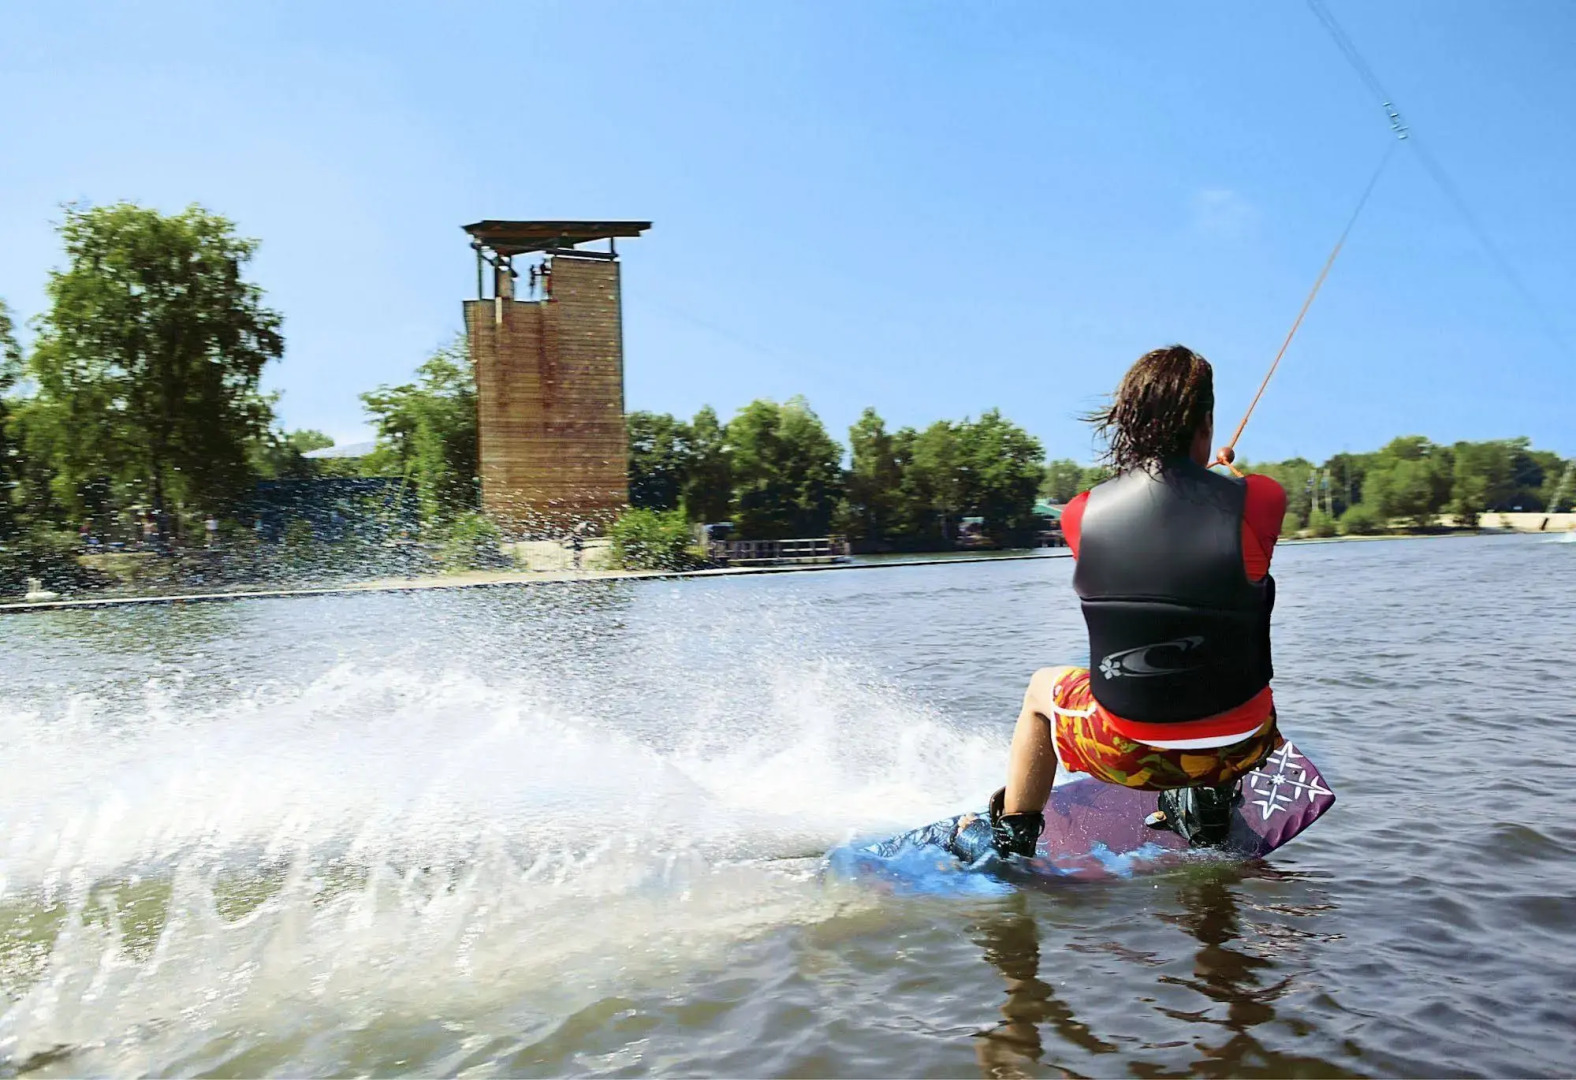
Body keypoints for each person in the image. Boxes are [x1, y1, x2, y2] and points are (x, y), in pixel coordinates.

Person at [975, 345, 1287, 857]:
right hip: (1242, 745)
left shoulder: (1080, 514)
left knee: (1041, 692)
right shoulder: (1263, 501)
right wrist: (1219, 479)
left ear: (1128, 425)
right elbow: (1220, 512)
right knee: (1221, 641)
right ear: (1206, 422)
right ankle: (1208, 803)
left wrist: (1197, 483)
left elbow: (1160, 535)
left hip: (1125, 752)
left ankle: (1014, 840)